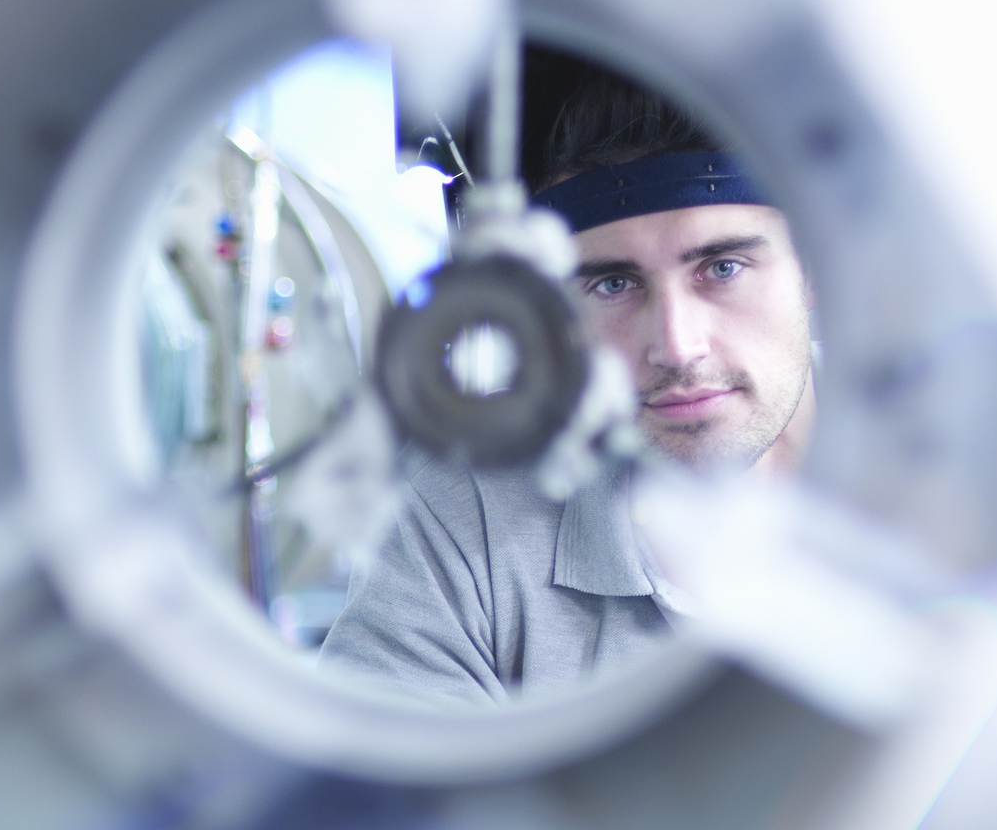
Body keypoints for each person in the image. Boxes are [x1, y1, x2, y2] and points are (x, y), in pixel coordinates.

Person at [315, 49, 819, 705]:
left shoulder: (937, 475)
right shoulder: (466, 506)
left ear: (812, 272)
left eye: (721, 267)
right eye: (612, 283)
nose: (676, 345)